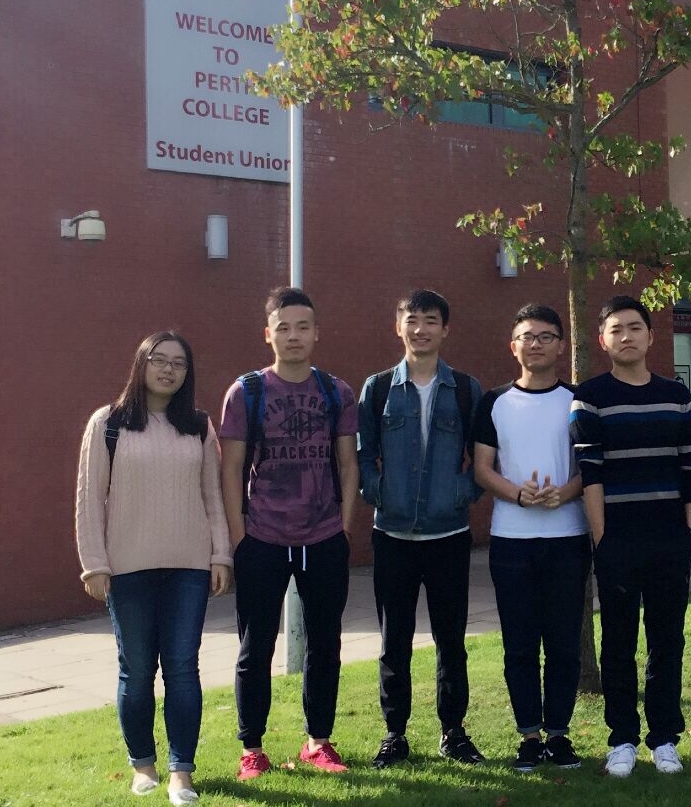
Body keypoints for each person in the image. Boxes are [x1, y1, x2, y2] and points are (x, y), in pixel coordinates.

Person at [75, 330, 231, 805]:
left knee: (183, 667)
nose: (168, 370)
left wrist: (220, 555)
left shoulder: (199, 426)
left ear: (188, 373)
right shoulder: (109, 423)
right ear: (140, 364)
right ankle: (142, 765)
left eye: (178, 363)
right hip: (128, 568)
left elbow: (212, 497)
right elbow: (89, 498)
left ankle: (182, 772)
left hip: (189, 567)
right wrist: (94, 564)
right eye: (159, 360)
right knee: (138, 669)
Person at [219, 287, 360, 780]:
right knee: (255, 646)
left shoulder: (336, 392)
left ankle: (318, 741)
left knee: (325, 643)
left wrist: (343, 527)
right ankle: (252, 749)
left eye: (303, 327)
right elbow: (230, 468)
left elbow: (348, 463)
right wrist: (239, 535)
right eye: (283, 327)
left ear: (317, 333)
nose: (293, 335)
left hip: (323, 536)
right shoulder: (246, 392)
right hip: (262, 537)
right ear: (268, 334)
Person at [570, 295, 691, 779]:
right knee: (618, 643)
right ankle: (621, 739)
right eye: (616, 329)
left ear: (650, 336)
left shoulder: (677, 396)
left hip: (670, 539)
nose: (626, 336)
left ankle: (665, 738)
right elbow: (591, 474)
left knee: (667, 641)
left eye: (634, 327)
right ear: (603, 340)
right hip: (617, 541)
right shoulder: (589, 397)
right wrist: (602, 539)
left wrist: (688, 531)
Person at [359, 289, 486, 768]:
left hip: (448, 535)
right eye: (412, 320)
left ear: (445, 329)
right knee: (394, 640)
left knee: (451, 640)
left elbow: (483, 455)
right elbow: (362, 451)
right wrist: (377, 489)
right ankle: (395, 733)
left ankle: (454, 731)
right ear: (399, 327)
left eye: (431, 320)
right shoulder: (377, 389)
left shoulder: (467, 389)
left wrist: (463, 492)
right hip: (393, 535)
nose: (421, 329)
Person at [472, 304, 589, 772]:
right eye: (527, 337)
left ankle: (558, 734)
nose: (535, 344)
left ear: (561, 345)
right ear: (513, 346)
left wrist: (566, 493)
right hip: (511, 539)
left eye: (545, 336)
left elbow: (590, 466)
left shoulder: (578, 401)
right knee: (519, 644)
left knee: (563, 642)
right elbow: (482, 469)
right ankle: (528, 736)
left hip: (568, 536)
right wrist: (518, 495)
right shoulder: (494, 402)